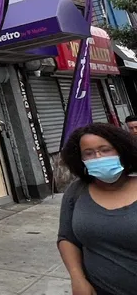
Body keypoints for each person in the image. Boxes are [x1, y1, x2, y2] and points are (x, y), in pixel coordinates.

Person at [57, 123, 137, 295]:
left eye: (105, 149)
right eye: (89, 153)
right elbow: (67, 237)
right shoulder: (76, 192)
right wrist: (77, 278)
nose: (98, 157)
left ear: (121, 151)